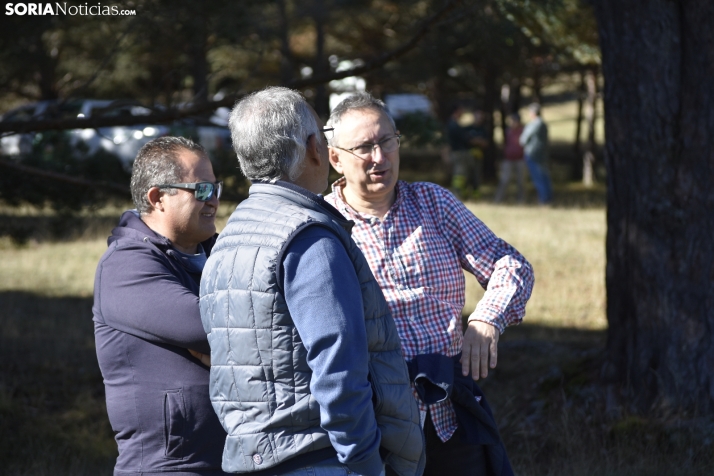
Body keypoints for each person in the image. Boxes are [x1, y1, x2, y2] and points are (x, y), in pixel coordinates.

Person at [199, 86, 425, 476]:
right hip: (320, 459)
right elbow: (339, 371)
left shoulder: (230, 234)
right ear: (315, 149)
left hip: (251, 458)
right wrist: (366, 464)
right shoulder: (309, 239)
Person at [324, 92, 535, 476]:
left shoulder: (433, 203)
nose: (380, 157)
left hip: (449, 411)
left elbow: (509, 263)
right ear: (335, 157)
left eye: (387, 141)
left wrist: (487, 319)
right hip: (373, 420)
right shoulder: (323, 225)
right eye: (364, 148)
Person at [92, 136, 229, 476]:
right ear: (157, 198)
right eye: (200, 190)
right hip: (171, 465)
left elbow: (254, 325)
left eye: (216, 189)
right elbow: (206, 328)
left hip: (235, 458)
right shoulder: (125, 266)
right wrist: (232, 348)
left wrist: (226, 356)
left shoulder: (224, 256)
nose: (213, 201)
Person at [445, 105, 488, 199]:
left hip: (463, 154)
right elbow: (465, 139)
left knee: (465, 176)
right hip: (459, 154)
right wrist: (477, 141)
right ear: (456, 112)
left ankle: (463, 194)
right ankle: (457, 194)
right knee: (460, 175)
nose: (463, 113)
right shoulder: (454, 125)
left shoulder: (455, 124)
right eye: (461, 111)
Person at [519, 103, 552, 204]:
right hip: (542, 155)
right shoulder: (543, 124)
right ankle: (548, 199)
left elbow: (523, 140)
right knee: (545, 178)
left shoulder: (535, 124)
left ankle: (544, 201)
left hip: (533, 155)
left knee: (539, 179)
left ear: (533, 113)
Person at [494, 113, 526, 203]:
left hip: (520, 159)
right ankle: (498, 200)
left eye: (513, 121)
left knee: (521, 182)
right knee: (504, 180)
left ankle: (521, 200)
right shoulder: (508, 131)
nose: (512, 123)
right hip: (508, 159)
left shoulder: (523, 131)